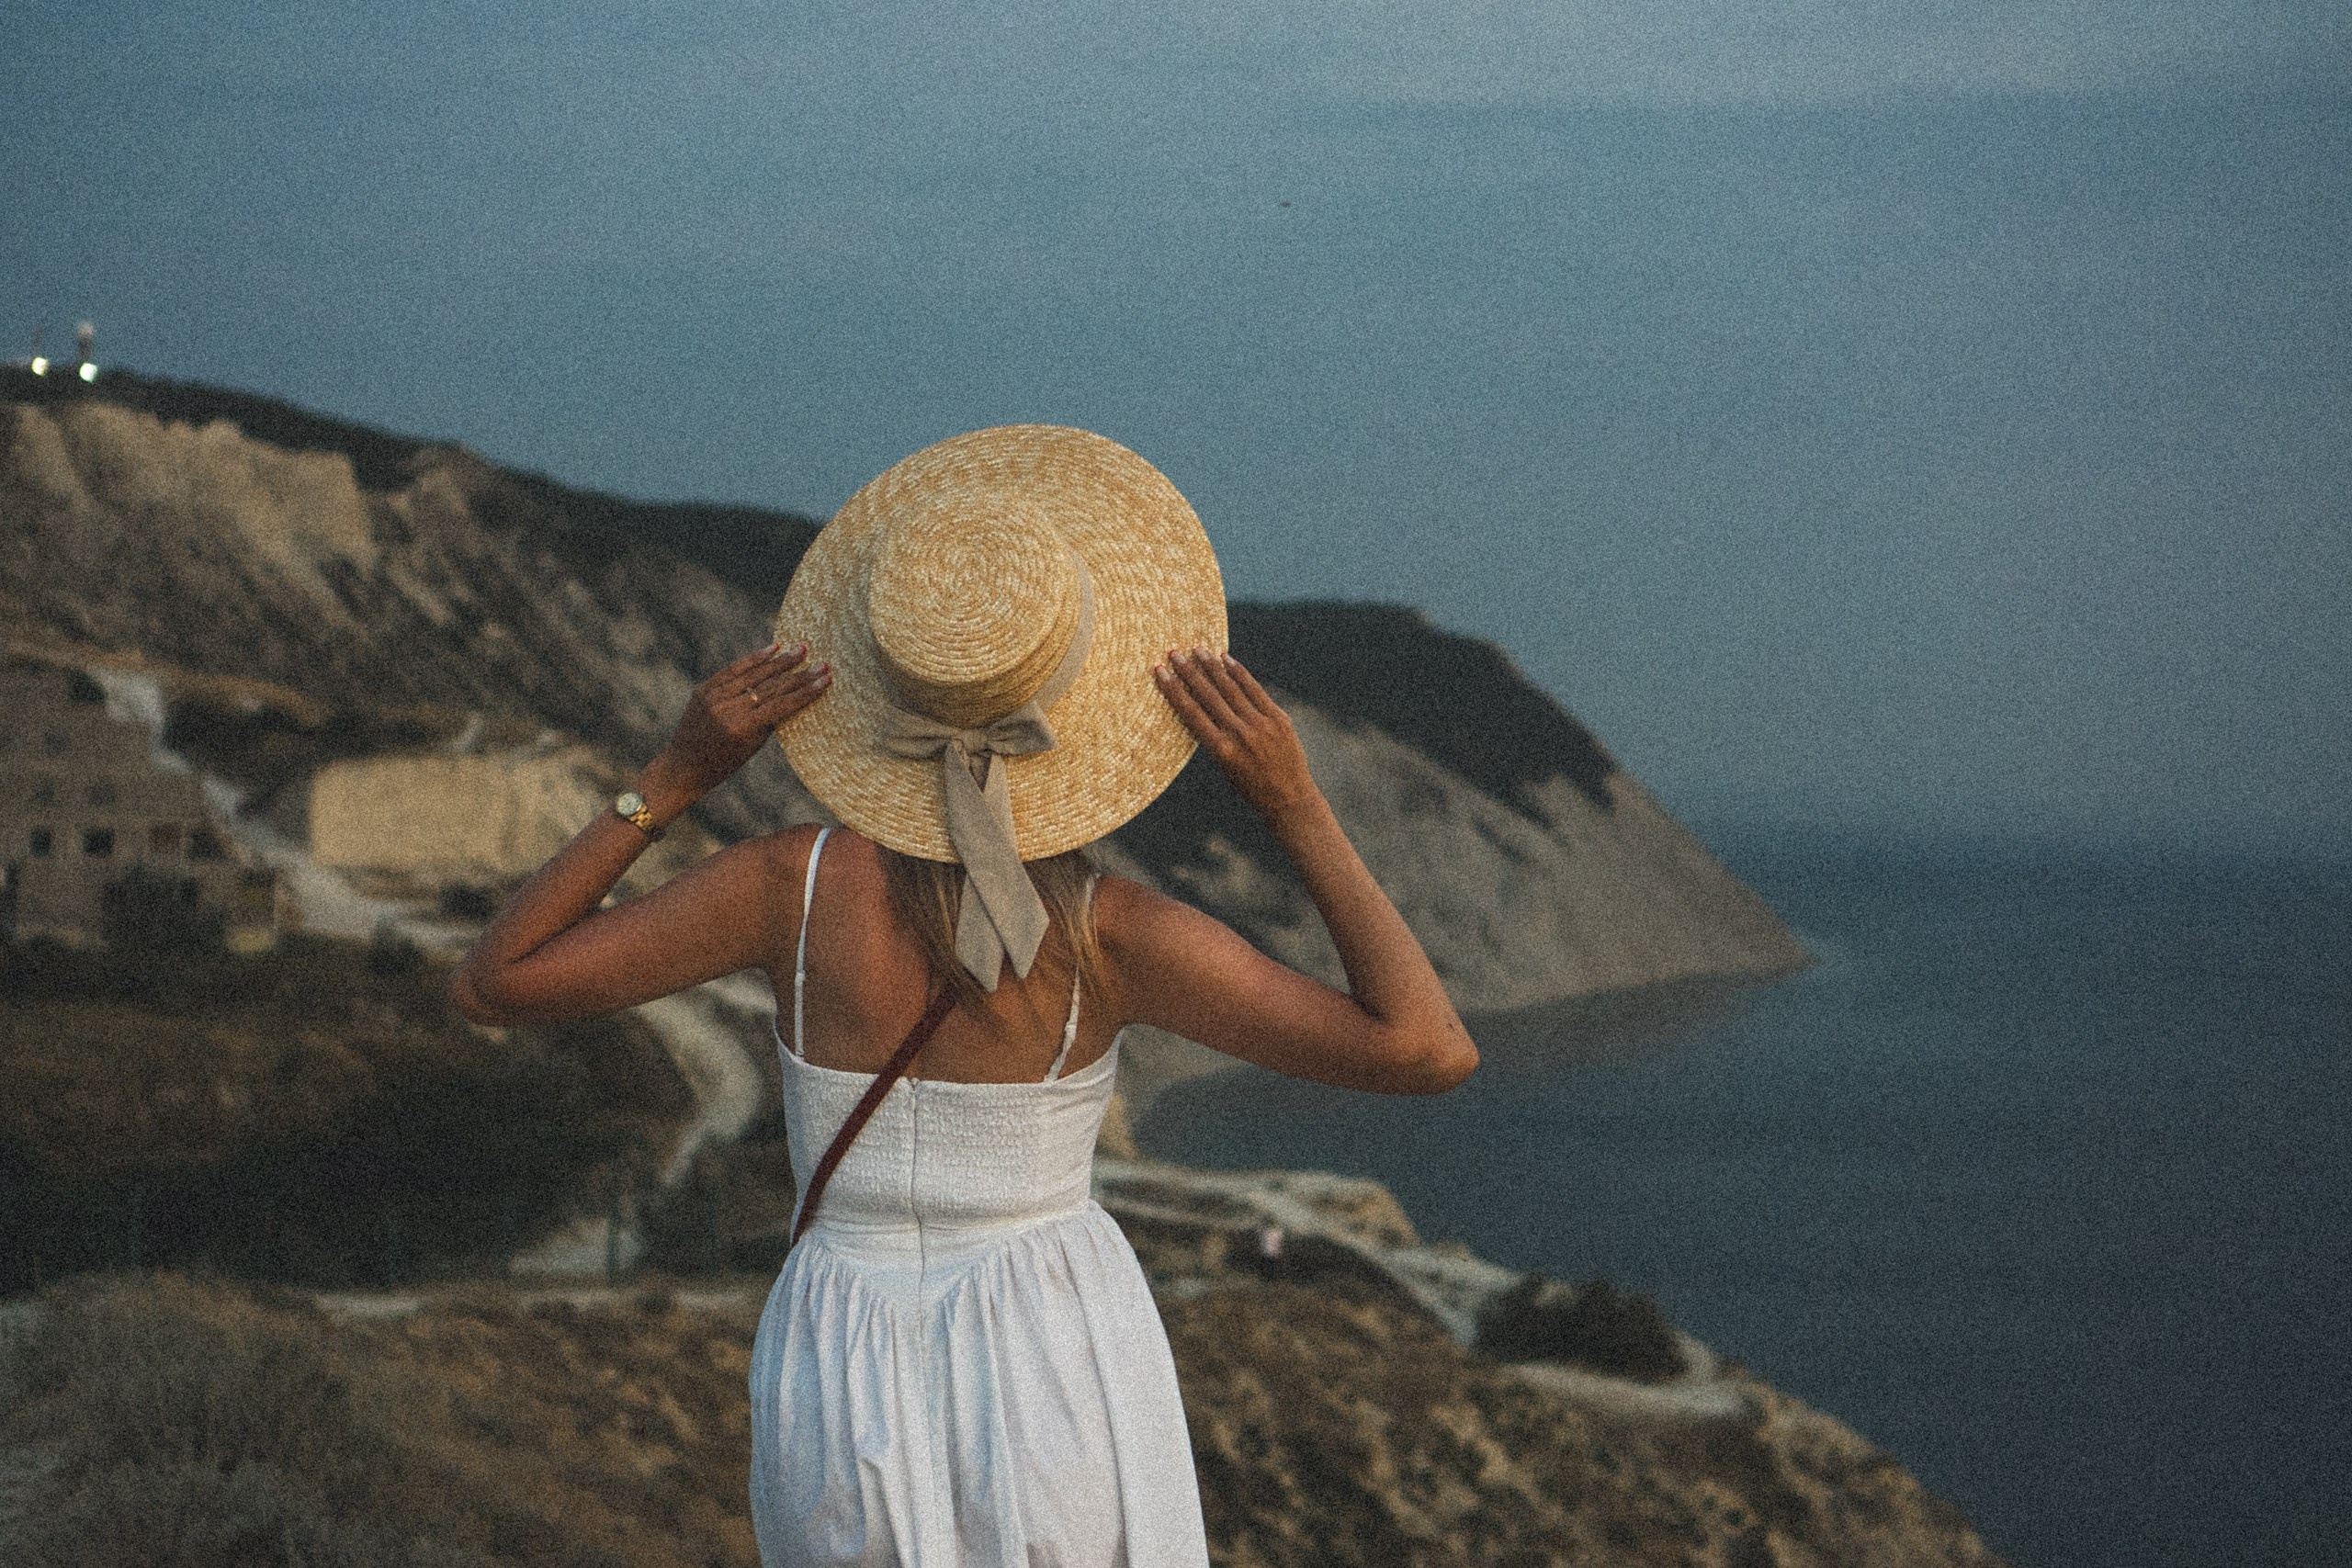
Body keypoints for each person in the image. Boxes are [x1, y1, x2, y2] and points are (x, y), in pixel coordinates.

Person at [450, 425, 1477, 1566]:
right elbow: (1426, 1050)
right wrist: (1292, 806)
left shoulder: (784, 890)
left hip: (840, 1350)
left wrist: (675, 776)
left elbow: (498, 980)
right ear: (1084, 701)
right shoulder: (1111, 936)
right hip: (1052, 1342)